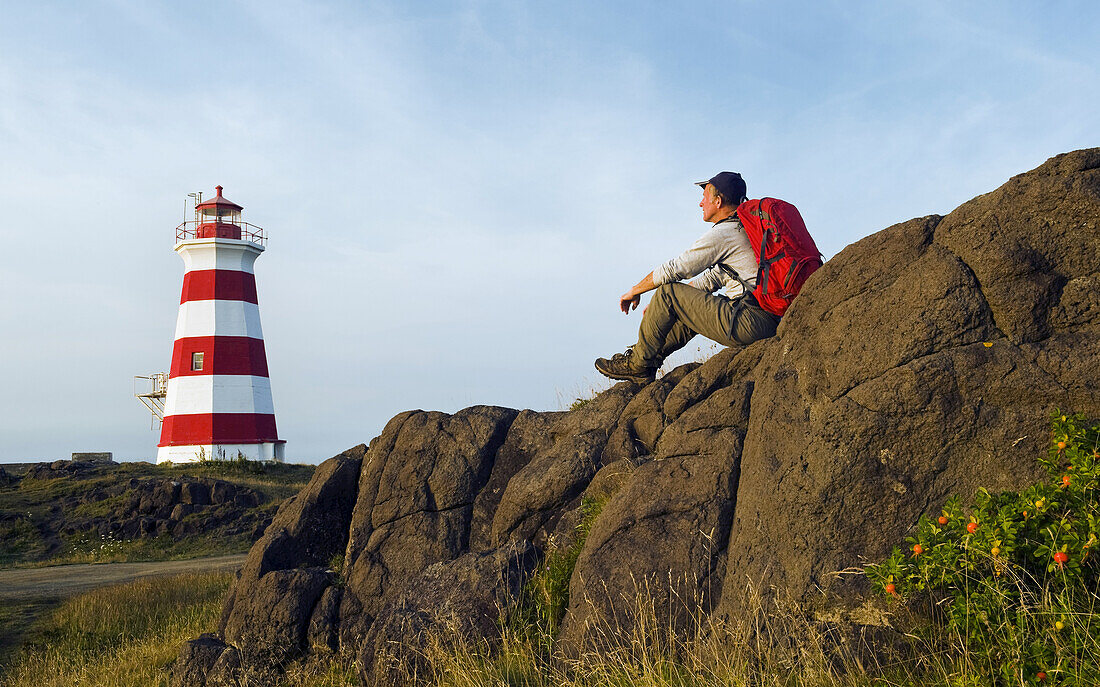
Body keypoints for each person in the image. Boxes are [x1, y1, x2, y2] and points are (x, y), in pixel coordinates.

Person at [594, 171, 780, 384]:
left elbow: (676, 268)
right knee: (676, 302)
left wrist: (635, 291)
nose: (701, 203)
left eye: (705, 197)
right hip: (765, 319)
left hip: (751, 321)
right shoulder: (748, 231)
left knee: (667, 292)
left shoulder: (725, 233)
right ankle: (645, 360)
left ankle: (638, 365)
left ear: (718, 201)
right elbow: (712, 279)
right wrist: (661, 310)